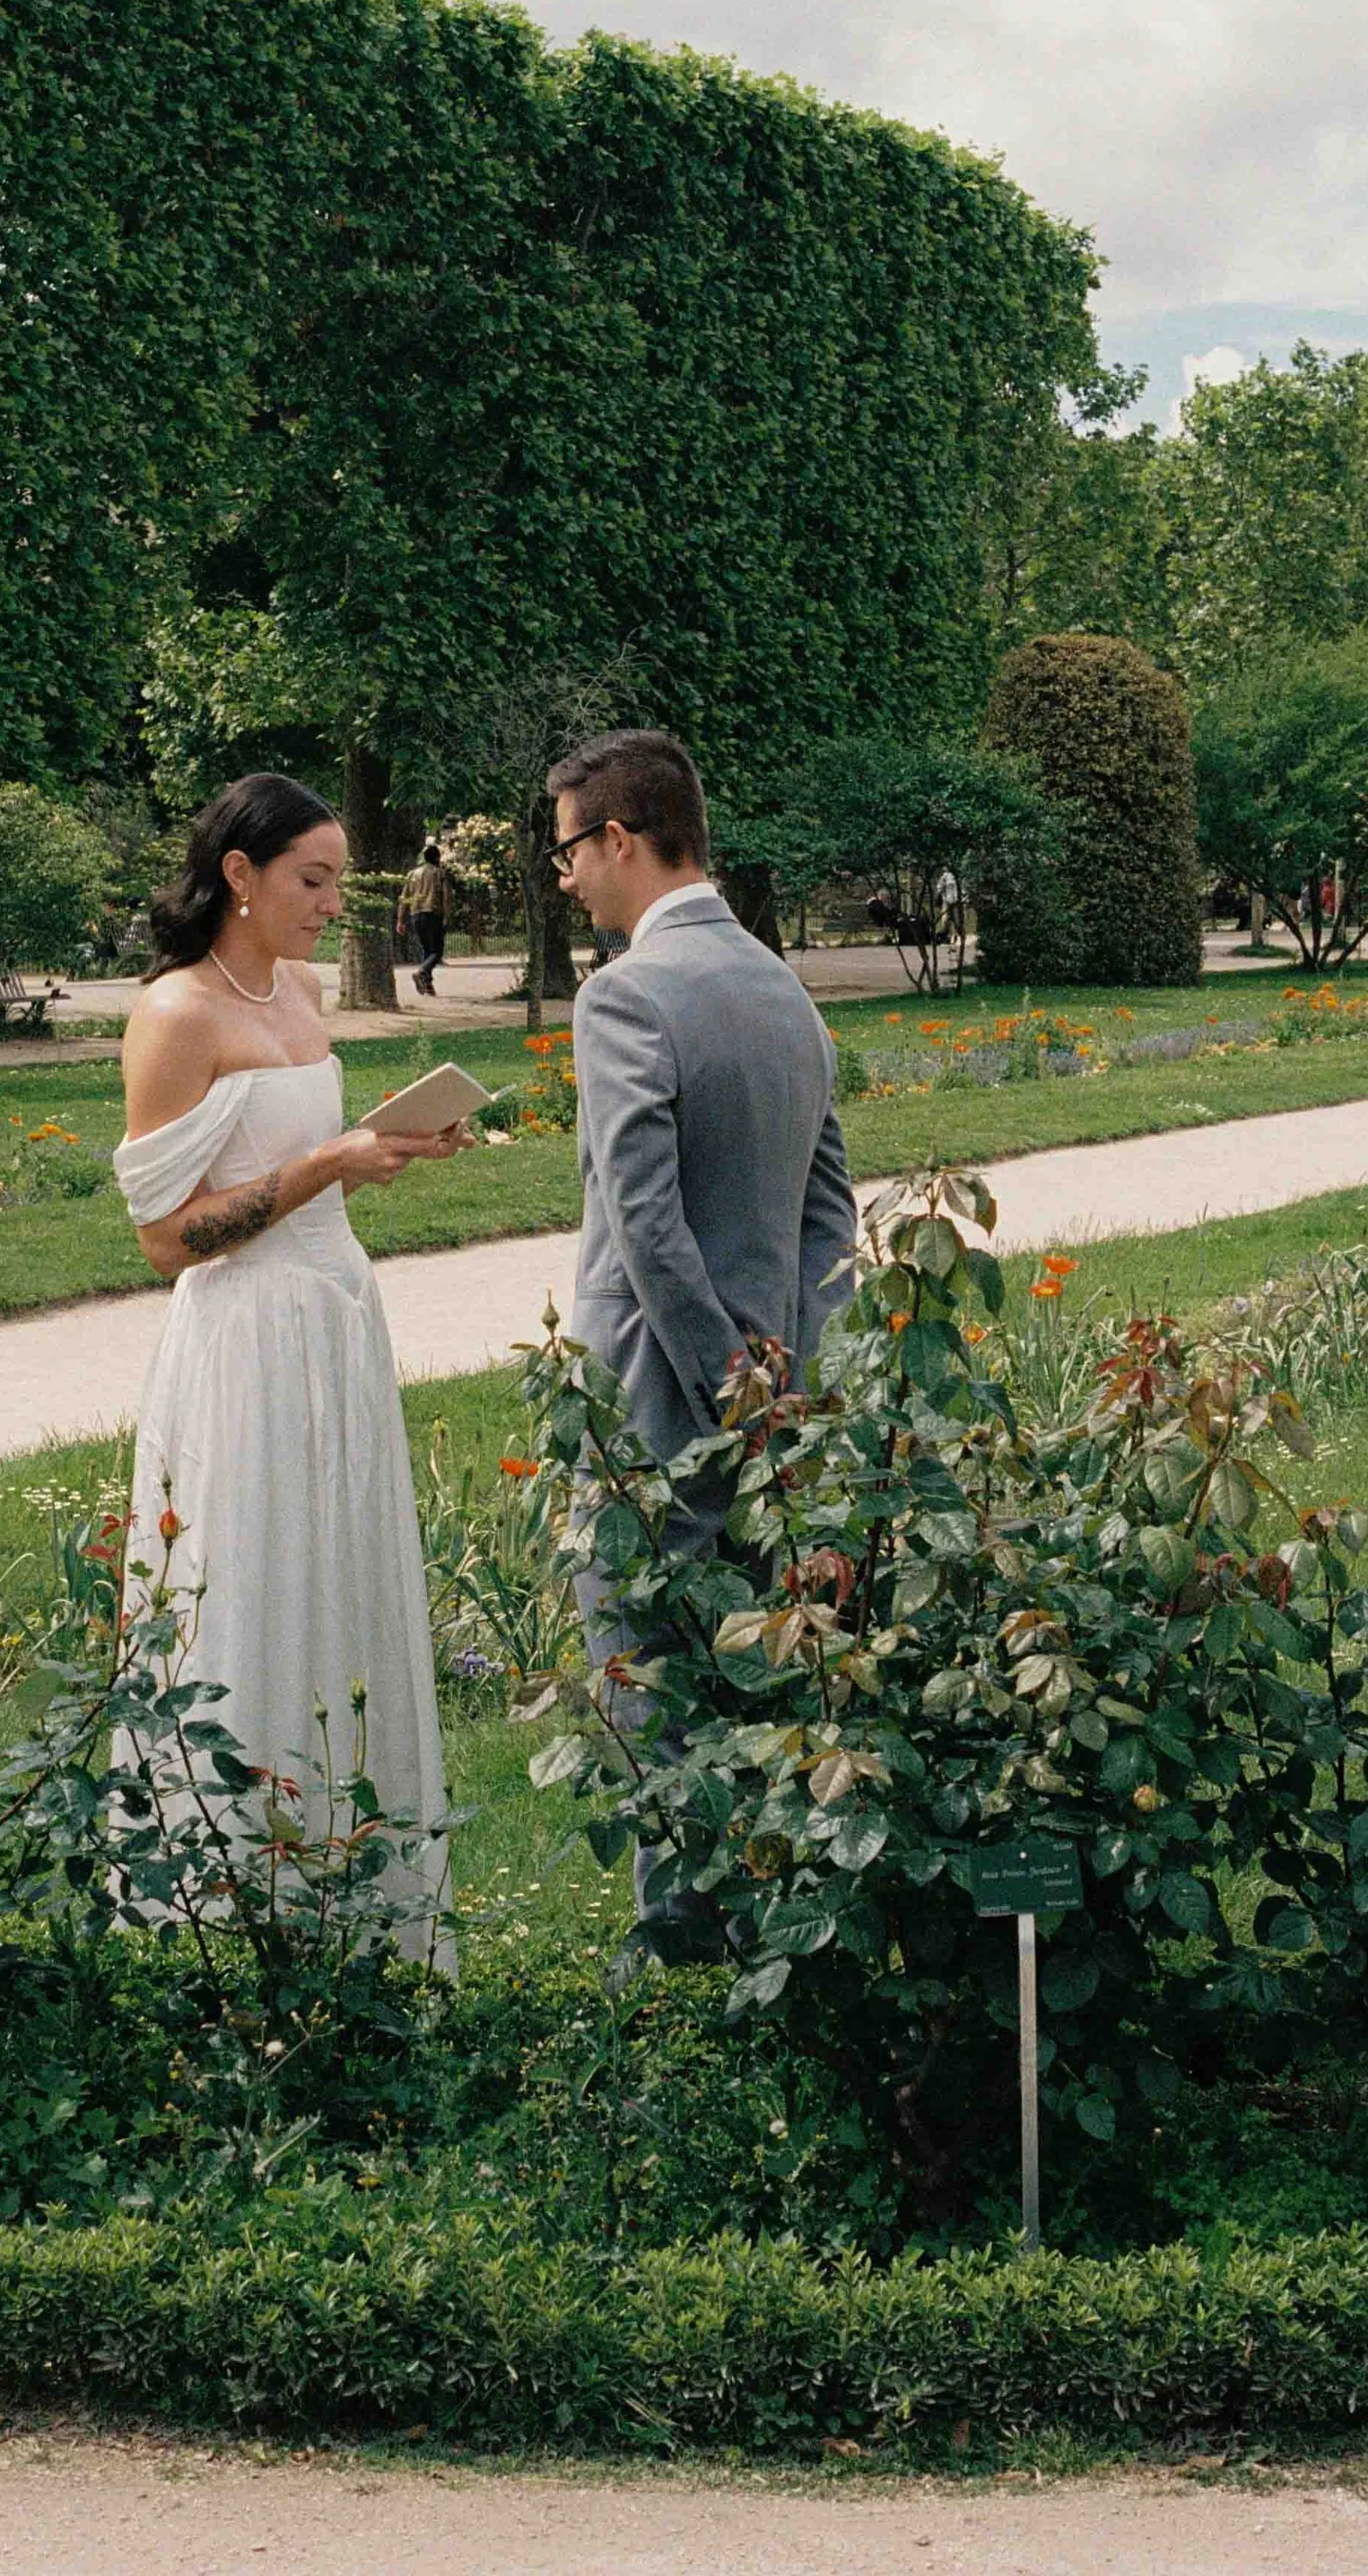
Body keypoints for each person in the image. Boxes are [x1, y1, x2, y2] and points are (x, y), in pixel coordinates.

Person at [114, 774, 463, 1958]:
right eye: (312, 880)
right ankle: (226, 1913)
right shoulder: (175, 1015)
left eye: (340, 880)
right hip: (244, 1340)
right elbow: (167, 1241)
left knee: (339, 1575)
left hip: (334, 1318)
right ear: (239, 876)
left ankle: (351, 1905)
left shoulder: (302, 990)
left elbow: (315, 1154)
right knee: (247, 1587)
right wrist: (327, 1167)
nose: (334, 904)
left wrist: (390, 1147)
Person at [547, 727, 858, 1949]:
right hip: (778, 1405)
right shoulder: (786, 988)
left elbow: (642, 1223)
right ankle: (769, 1938)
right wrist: (795, 1378)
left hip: (653, 1404)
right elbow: (830, 1213)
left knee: (647, 1683)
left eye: (568, 846)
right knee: (750, 1673)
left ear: (620, 838)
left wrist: (729, 1380)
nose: (562, 874)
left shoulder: (624, 995)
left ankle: (686, 1965)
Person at [396, 839, 450, 996]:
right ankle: (422, 972)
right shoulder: (441, 873)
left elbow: (404, 898)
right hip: (433, 913)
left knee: (428, 950)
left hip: (416, 914)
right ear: (437, 858)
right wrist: (447, 917)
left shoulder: (412, 874)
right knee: (437, 952)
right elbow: (446, 898)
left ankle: (428, 985)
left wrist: (400, 919)